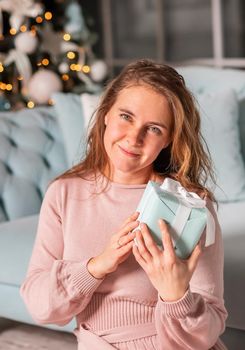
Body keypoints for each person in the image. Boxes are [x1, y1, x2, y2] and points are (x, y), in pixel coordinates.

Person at [20, 59, 228, 350]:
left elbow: (207, 331)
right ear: (105, 114)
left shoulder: (192, 206)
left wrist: (175, 294)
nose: (134, 137)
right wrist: (95, 267)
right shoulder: (64, 194)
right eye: (126, 116)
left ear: (168, 139)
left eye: (154, 128)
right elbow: (40, 306)